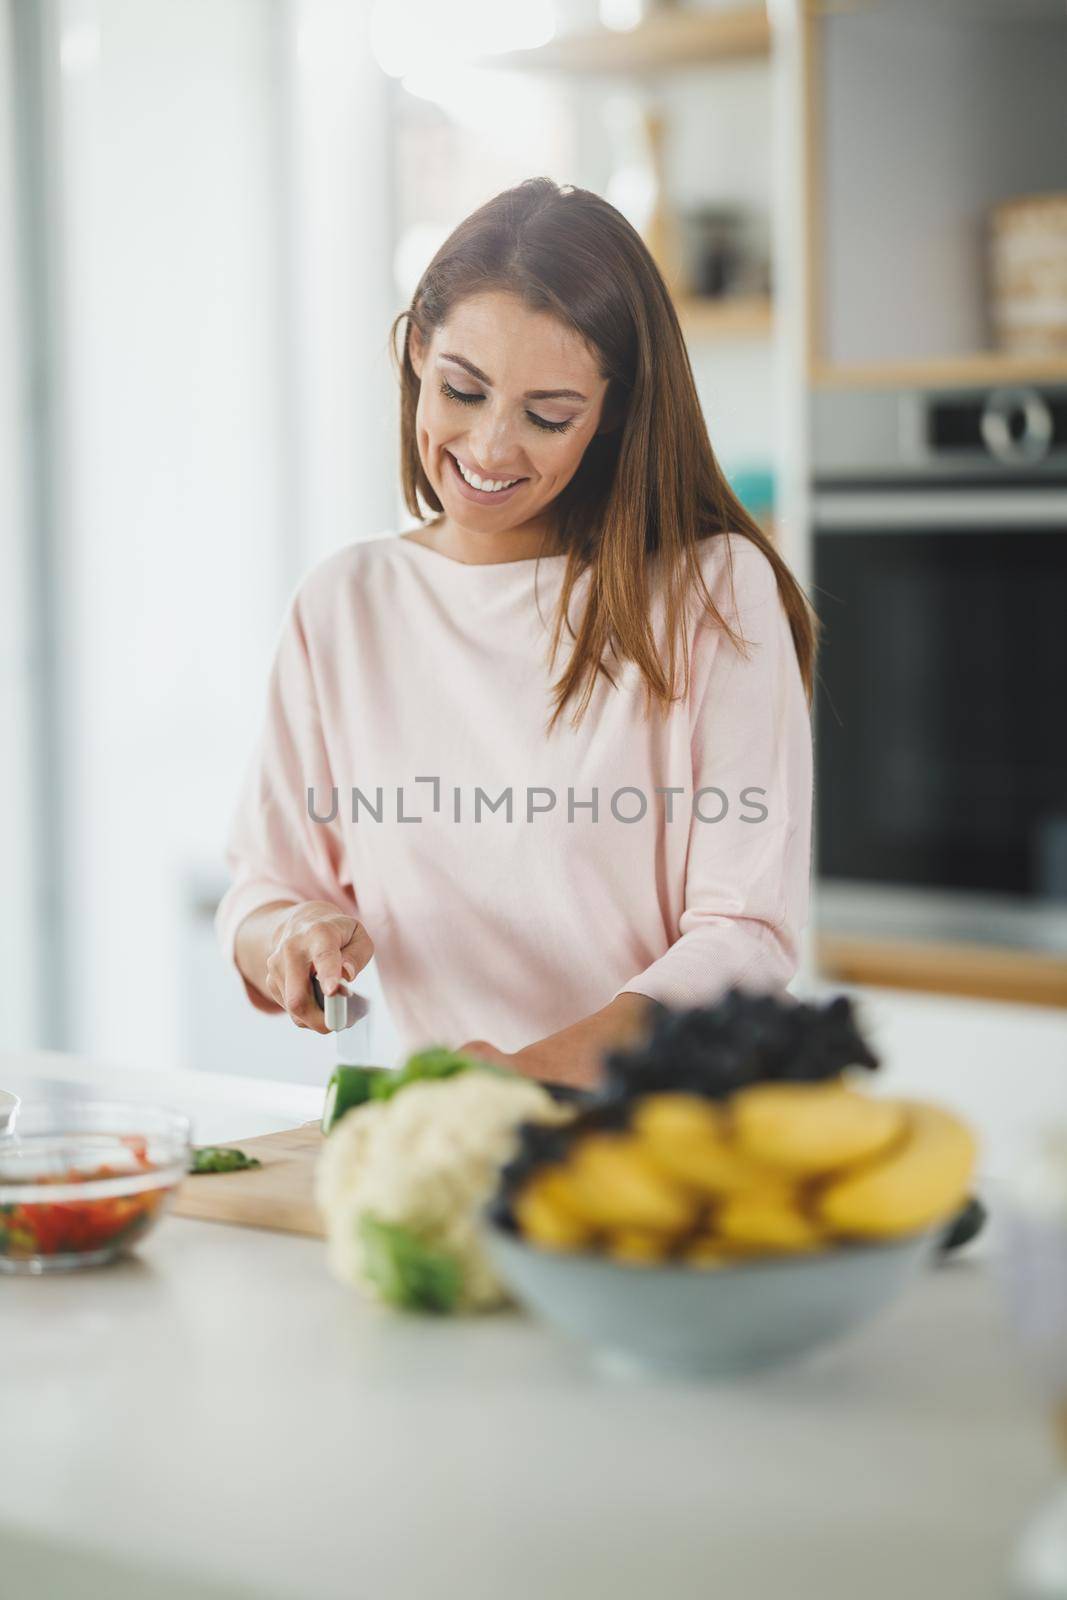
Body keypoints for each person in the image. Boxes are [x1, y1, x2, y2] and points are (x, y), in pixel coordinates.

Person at [215, 177, 817, 1090]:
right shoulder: (344, 606)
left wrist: (532, 1077)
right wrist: (292, 935)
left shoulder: (711, 589)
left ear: (611, 412)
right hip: (451, 1144)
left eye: (547, 414)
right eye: (461, 389)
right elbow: (263, 887)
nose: (491, 448)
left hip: (659, 1142)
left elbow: (745, 931)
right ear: (417, 352)